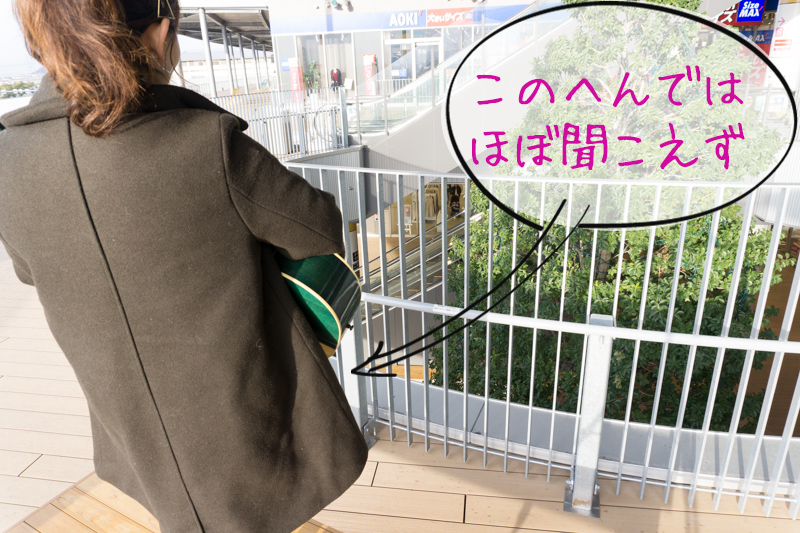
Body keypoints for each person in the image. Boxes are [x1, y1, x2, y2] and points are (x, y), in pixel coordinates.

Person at [0, 1, 368, 532]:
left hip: (135, 435)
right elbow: (317, 227)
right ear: (160, 32)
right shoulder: (206, 142)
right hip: (245, 424)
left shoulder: (7, 163)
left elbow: (29, 270)